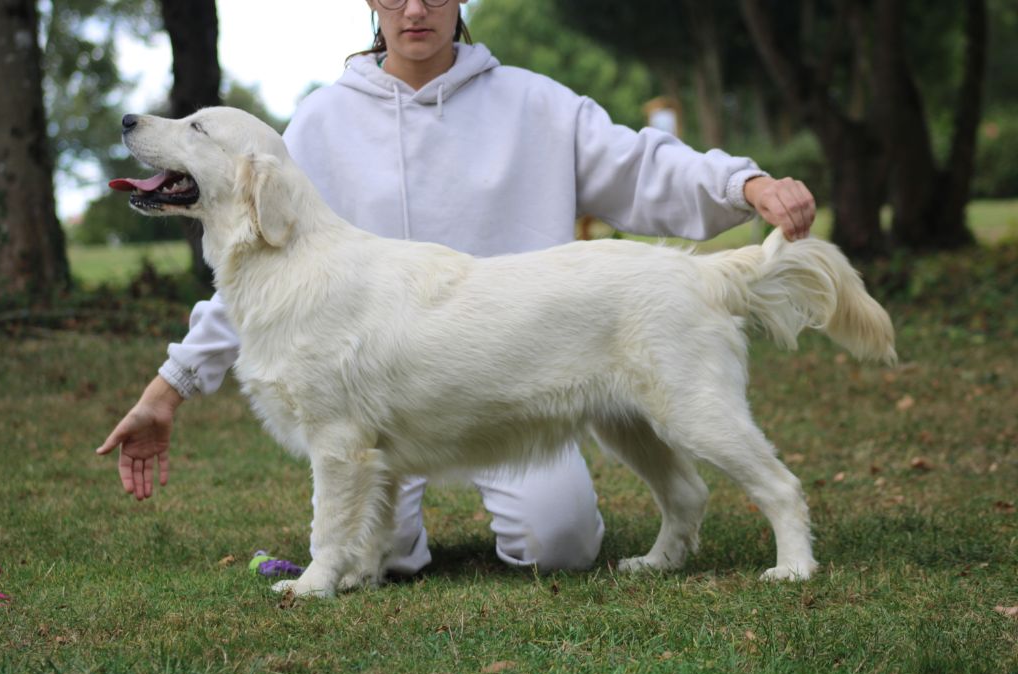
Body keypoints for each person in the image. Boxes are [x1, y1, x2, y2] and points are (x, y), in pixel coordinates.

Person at [97, 0, 816, 578]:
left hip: (520, 367)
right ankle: (361, 555)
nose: (416, 9)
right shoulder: (318, 120)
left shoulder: (534, 103)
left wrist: (742, 182)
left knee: (558, 545)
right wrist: (168, 388)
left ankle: (739, 520)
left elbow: (640, 167)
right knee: (390, 552)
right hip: (387, 401)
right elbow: (266, 283)